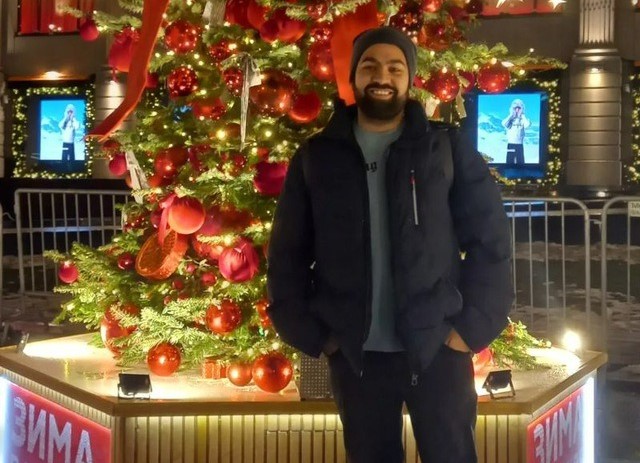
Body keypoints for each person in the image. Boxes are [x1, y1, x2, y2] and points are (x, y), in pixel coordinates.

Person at [267, 26, 513, 463]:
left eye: (395, 68)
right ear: (354, 76)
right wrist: (319, 337)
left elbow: (490, 240)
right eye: (370, 66)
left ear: (409, 79)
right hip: (357, 357)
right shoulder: (317, 157)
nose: (382, 76)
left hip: (438, 348)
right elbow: (287, 254)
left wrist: (469, 330)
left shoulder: (444, 148)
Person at [501, 98, 530, 165]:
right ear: (512, 109)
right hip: (510, 144)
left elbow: (527, 125)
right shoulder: (510, 119)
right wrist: (511, 115)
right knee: (509, 161)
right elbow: (504, 124)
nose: (517, 110)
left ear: (522, 109)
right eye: (515, 108)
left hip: (520, 144)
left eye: (519, 108)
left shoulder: (523, 119)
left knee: (520, 162)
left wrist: (522, 115)